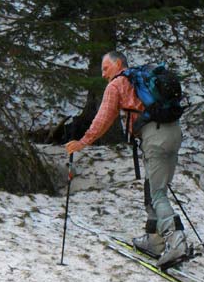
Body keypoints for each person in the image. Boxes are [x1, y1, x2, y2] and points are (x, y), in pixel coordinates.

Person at [65, 51, 189, 268]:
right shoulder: (140, 80)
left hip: (154, 136)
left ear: (118, 64)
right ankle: (154, 239)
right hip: (174, 133)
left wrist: (82, 142)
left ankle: (175, 240)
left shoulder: (117, 85)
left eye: (105, 68)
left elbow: (102, 120)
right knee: (155, 187)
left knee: (157, 192)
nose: (103, 74)